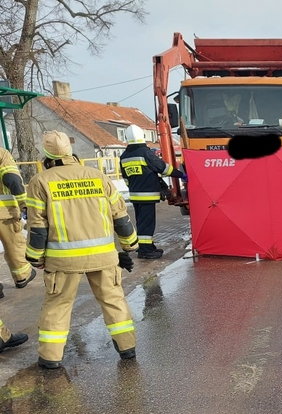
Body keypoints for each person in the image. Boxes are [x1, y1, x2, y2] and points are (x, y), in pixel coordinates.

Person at [25, 130, 140, 369]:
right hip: (104, 257)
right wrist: (129, 245)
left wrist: (35, 258)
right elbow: (120, 216)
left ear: (46, 156)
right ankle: (127, 348)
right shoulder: (98, 177)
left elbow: (38, 227)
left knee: (58, 306)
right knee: (113, 300)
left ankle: (50, 357)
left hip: (63, 261)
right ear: (71, 152)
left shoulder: (40, 182)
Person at [119, 124, 186, 259]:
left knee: (141, 222)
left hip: (135, 195)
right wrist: (181, 175)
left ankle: (147, 247)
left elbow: (126, 178)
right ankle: (146, 251)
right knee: (147, 223)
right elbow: (163, 168)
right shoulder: (145, 153)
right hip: (147, 196)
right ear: (142, 137)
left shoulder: (124, 156)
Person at [0, 147, 37, 295]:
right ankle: (22, 275)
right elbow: (12, 179)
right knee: (14, 245)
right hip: (4, 212)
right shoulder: (1, 154)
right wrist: (24, 204)